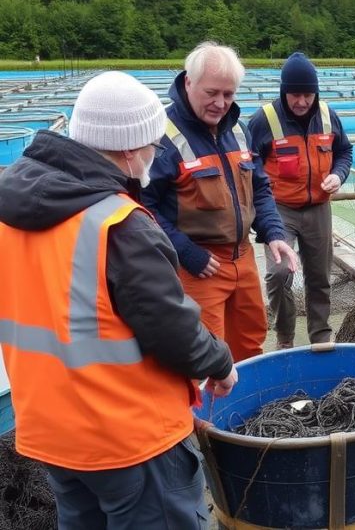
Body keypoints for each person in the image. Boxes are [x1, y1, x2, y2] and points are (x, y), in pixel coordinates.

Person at [0, 71, 237, 529]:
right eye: (152, 145)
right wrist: (219, 363)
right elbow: (171, 325)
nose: (154, 156)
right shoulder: (118, 224)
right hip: (128, 438)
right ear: (130, 150)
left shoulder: (11, 208)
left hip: (50, 431)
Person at [143, 42, 297, 362]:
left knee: (251, 342)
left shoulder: (239, 131)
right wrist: (184, 251)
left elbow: (260, 187)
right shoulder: (162, 134)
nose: (220, 103)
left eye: (229, 94)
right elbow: (143, 207)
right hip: (198, 266)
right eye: (212, 93)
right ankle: (210, 413)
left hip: (243, 258)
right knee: (207, 355)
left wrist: (274, 233)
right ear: (188, 82)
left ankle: (248, 410)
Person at [247, 52, 353, 347]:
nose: (302, 102)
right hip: (279, 210)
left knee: (319, 276)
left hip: (319, 208)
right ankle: (285, 338)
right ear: (284, 91)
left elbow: (344, 151)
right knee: (280, 273)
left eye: (307, 94)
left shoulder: (327, 115)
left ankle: (320, 336)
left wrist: (339, 174)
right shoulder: (264, 120)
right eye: (295, 95)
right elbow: (249, 164)